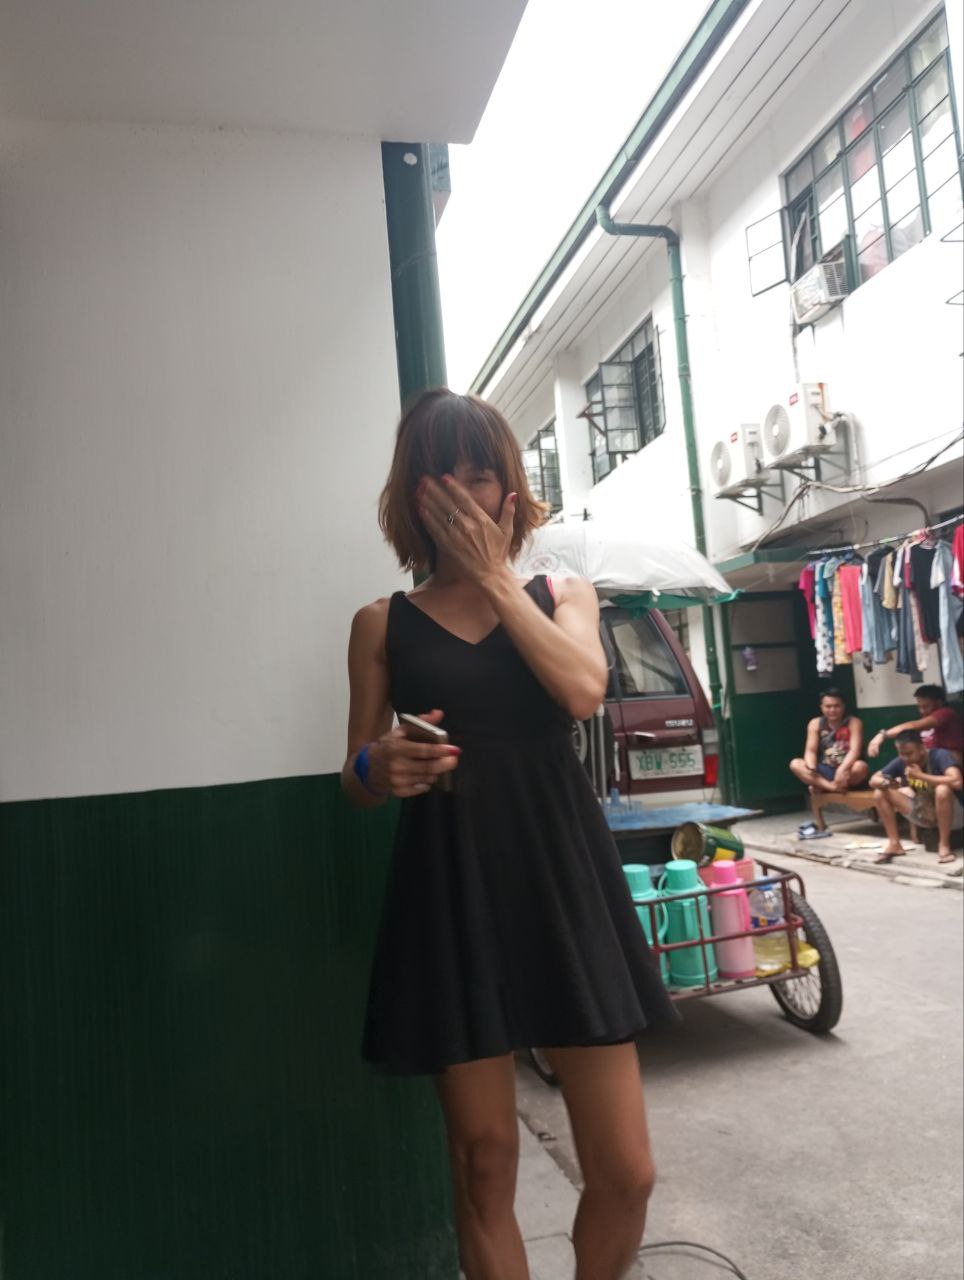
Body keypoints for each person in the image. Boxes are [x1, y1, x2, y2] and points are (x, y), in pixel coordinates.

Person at [341, 389, 678, 1280]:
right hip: (448, 887)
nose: (460, 492)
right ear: (409, 496)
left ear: (509, 490)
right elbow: (356, 779)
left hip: (561, 878)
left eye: (478, 474)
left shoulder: (564, 593)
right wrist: (380, 764)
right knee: (484, 1162)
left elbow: (581, 690)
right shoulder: (379, 623)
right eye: (437, 476)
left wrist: (494, 576)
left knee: (627, 1171)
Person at [870, 729, 964, 867]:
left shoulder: (939, 755)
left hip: (955, 816)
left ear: (922, 749)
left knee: (942, 789)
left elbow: (957, 781)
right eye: (901, 753)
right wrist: (888, 783)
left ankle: (944, 845)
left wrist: (921, 776)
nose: (905, 758)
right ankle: (895, 844)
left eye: (909, 753)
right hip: (925, 813)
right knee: (880, 792)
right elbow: (873, 780)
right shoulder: (901, 761)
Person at [789, 689, 869, 794]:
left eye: (836, 706)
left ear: (843, 706)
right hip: (825, 768)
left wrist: (842, 769)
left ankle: (821, 786)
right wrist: (811, 768)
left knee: (861, 766)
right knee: (795, 764)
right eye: (828, 706)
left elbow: (855, 751)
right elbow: (810, 751)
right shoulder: (815, 723)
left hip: (848, 769)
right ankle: (832, 787)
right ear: (822, 707)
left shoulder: (854, 722)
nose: (832, 710)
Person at [867, 684, 963, 763]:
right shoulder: (926, 716)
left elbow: (914, 725)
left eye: (925, 707)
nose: (921, 711)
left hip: (945, 760)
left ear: (939, 703)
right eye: (919, 707)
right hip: (924, 760)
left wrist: (883, 735)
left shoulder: (946, 713)